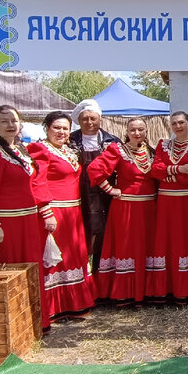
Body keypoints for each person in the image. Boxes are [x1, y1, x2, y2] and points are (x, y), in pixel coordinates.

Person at [27, 111, 96, 325]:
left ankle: (73, 304)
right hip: (55, 212)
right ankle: (54, 307)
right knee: (55, 259)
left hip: (73, 213)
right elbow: (37, 182)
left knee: (73, 257)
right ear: (47, 128)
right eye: (56, 127)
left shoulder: (67, 151)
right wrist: (46, 211)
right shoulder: (40, 149)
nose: (61, 132)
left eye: (65, 128)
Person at [86, 117, 158, 304]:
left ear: (146, 131)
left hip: (148, 208)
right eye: (133, 130)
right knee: (126, 246)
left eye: (140, 129)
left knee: (147, 246)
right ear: (126, 131)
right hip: (126, 207)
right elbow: (94, 169)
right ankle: (124, 292)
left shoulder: (151, 152)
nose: (136, 133)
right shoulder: (117, 150)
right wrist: (110, 190)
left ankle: (147, 290)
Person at [148, 111, 188, 301]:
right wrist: (178, 168)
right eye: (174, 123)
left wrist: (168, 174)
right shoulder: (162, 144)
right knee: (169, 241)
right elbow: (154, 171)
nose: (178, 126)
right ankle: (168, 287)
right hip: (167, 201)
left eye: (181, 122)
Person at [0, 106, 54, 269]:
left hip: (29, 219)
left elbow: (34, 184)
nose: (10, 125)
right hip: (9, 221)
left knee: (31, 264)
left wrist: (44, 211)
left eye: (14, 120)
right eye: (4, 121)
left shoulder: (21, 151)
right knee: (12, 265)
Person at [68, 99, 121, 270]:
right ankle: (82, 276)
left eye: (93, 118)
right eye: (85, 119)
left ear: (100, 119)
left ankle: (102, 276)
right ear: (79, 121)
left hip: (105, 197)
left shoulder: (112, 141)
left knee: (104, 237)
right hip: (79, 194)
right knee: (81, 236)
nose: (89, 122)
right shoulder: (69, 141)